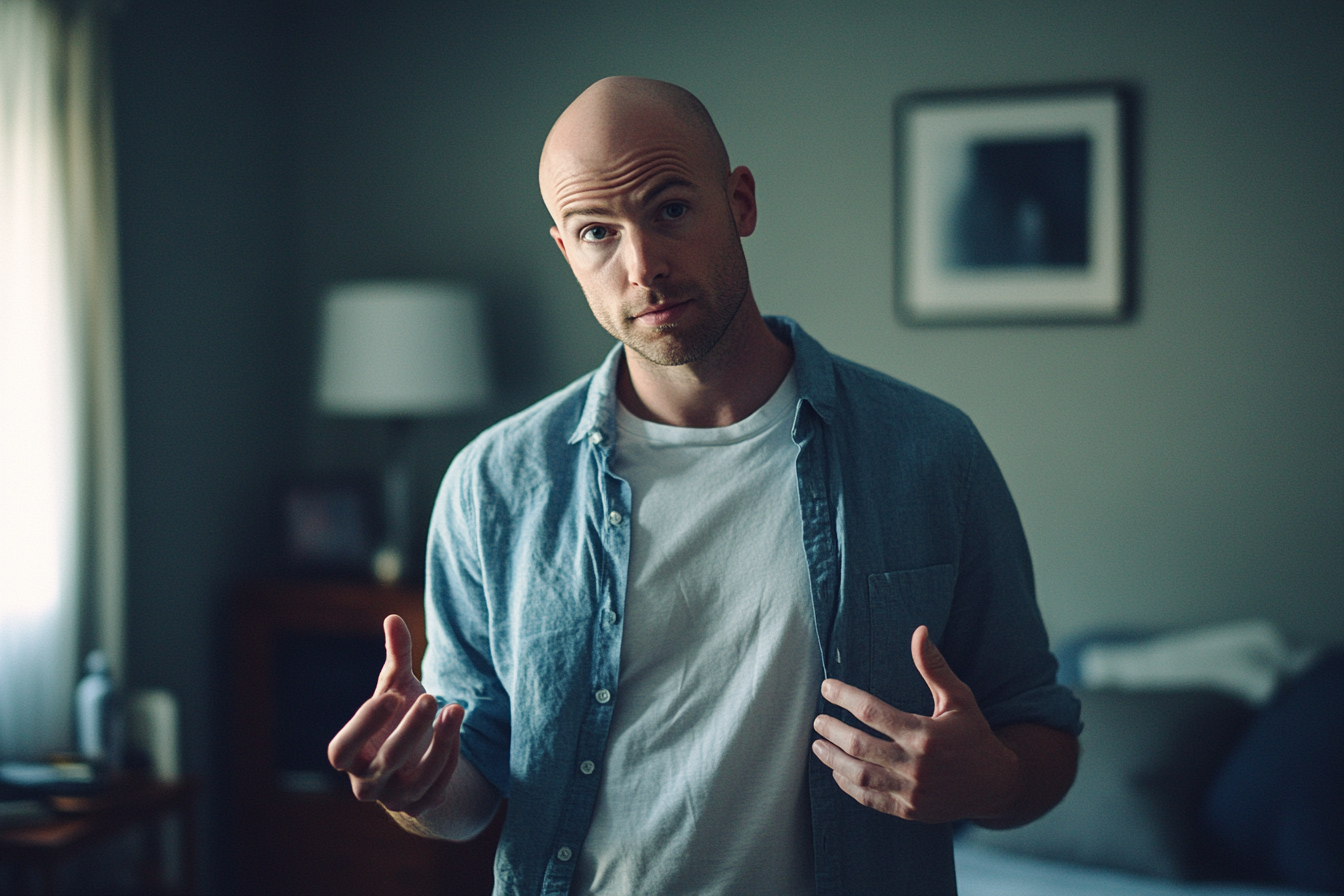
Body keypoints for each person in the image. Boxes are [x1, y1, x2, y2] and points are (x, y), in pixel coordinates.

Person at [329, 76, 1082, 896]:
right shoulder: (493, 483)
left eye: (671, 210)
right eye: (597, 232)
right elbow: (469, 795)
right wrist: (417, 790)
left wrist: (992, 784)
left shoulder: (931, 454)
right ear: (565, 251)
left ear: (741, 202)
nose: (643, 266)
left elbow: (1039, 732)